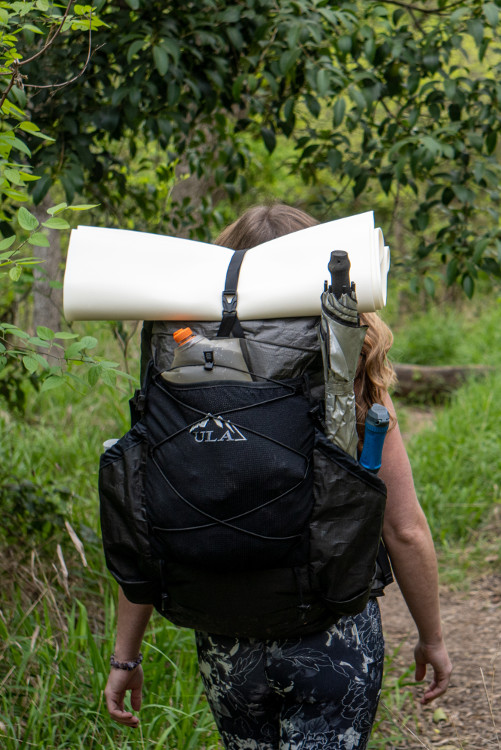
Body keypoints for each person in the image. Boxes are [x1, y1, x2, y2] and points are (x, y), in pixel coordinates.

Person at [104, 203, 452, 749]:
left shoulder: (178, 377)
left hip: (224, 639)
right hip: (331, 638)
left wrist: (126, 654)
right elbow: (403, 527)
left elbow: (151, 517)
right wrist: (432, 638)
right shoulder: (346, 379)